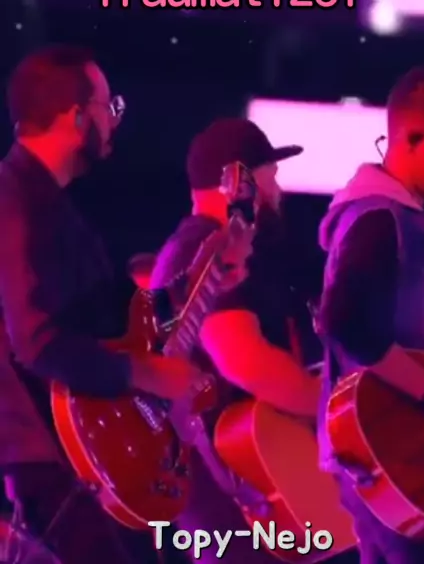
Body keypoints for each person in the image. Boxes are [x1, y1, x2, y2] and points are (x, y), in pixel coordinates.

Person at [0, 45, 200, 564]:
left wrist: (205, 274)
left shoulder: (46, 202)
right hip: (47, 455)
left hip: (75, 451)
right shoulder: (13, 202)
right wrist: (145, 373)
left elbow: (107, 319)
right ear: (75, 117)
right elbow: (35, 342)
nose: (114, 121)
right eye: (109, 107)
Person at [315, 64, 424, 563]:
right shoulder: (378, 220)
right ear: (411, 138)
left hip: (411, 458)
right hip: (394, 457)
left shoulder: (416, 223)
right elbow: (344, 322)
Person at [150, 118, 321, 564]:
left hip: (231, 486)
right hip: (229, 492)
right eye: (271, 175)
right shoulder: (208, 247)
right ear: (241, 181)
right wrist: (328, 410)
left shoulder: (191, 245)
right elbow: (242, 358)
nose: (278, 190)